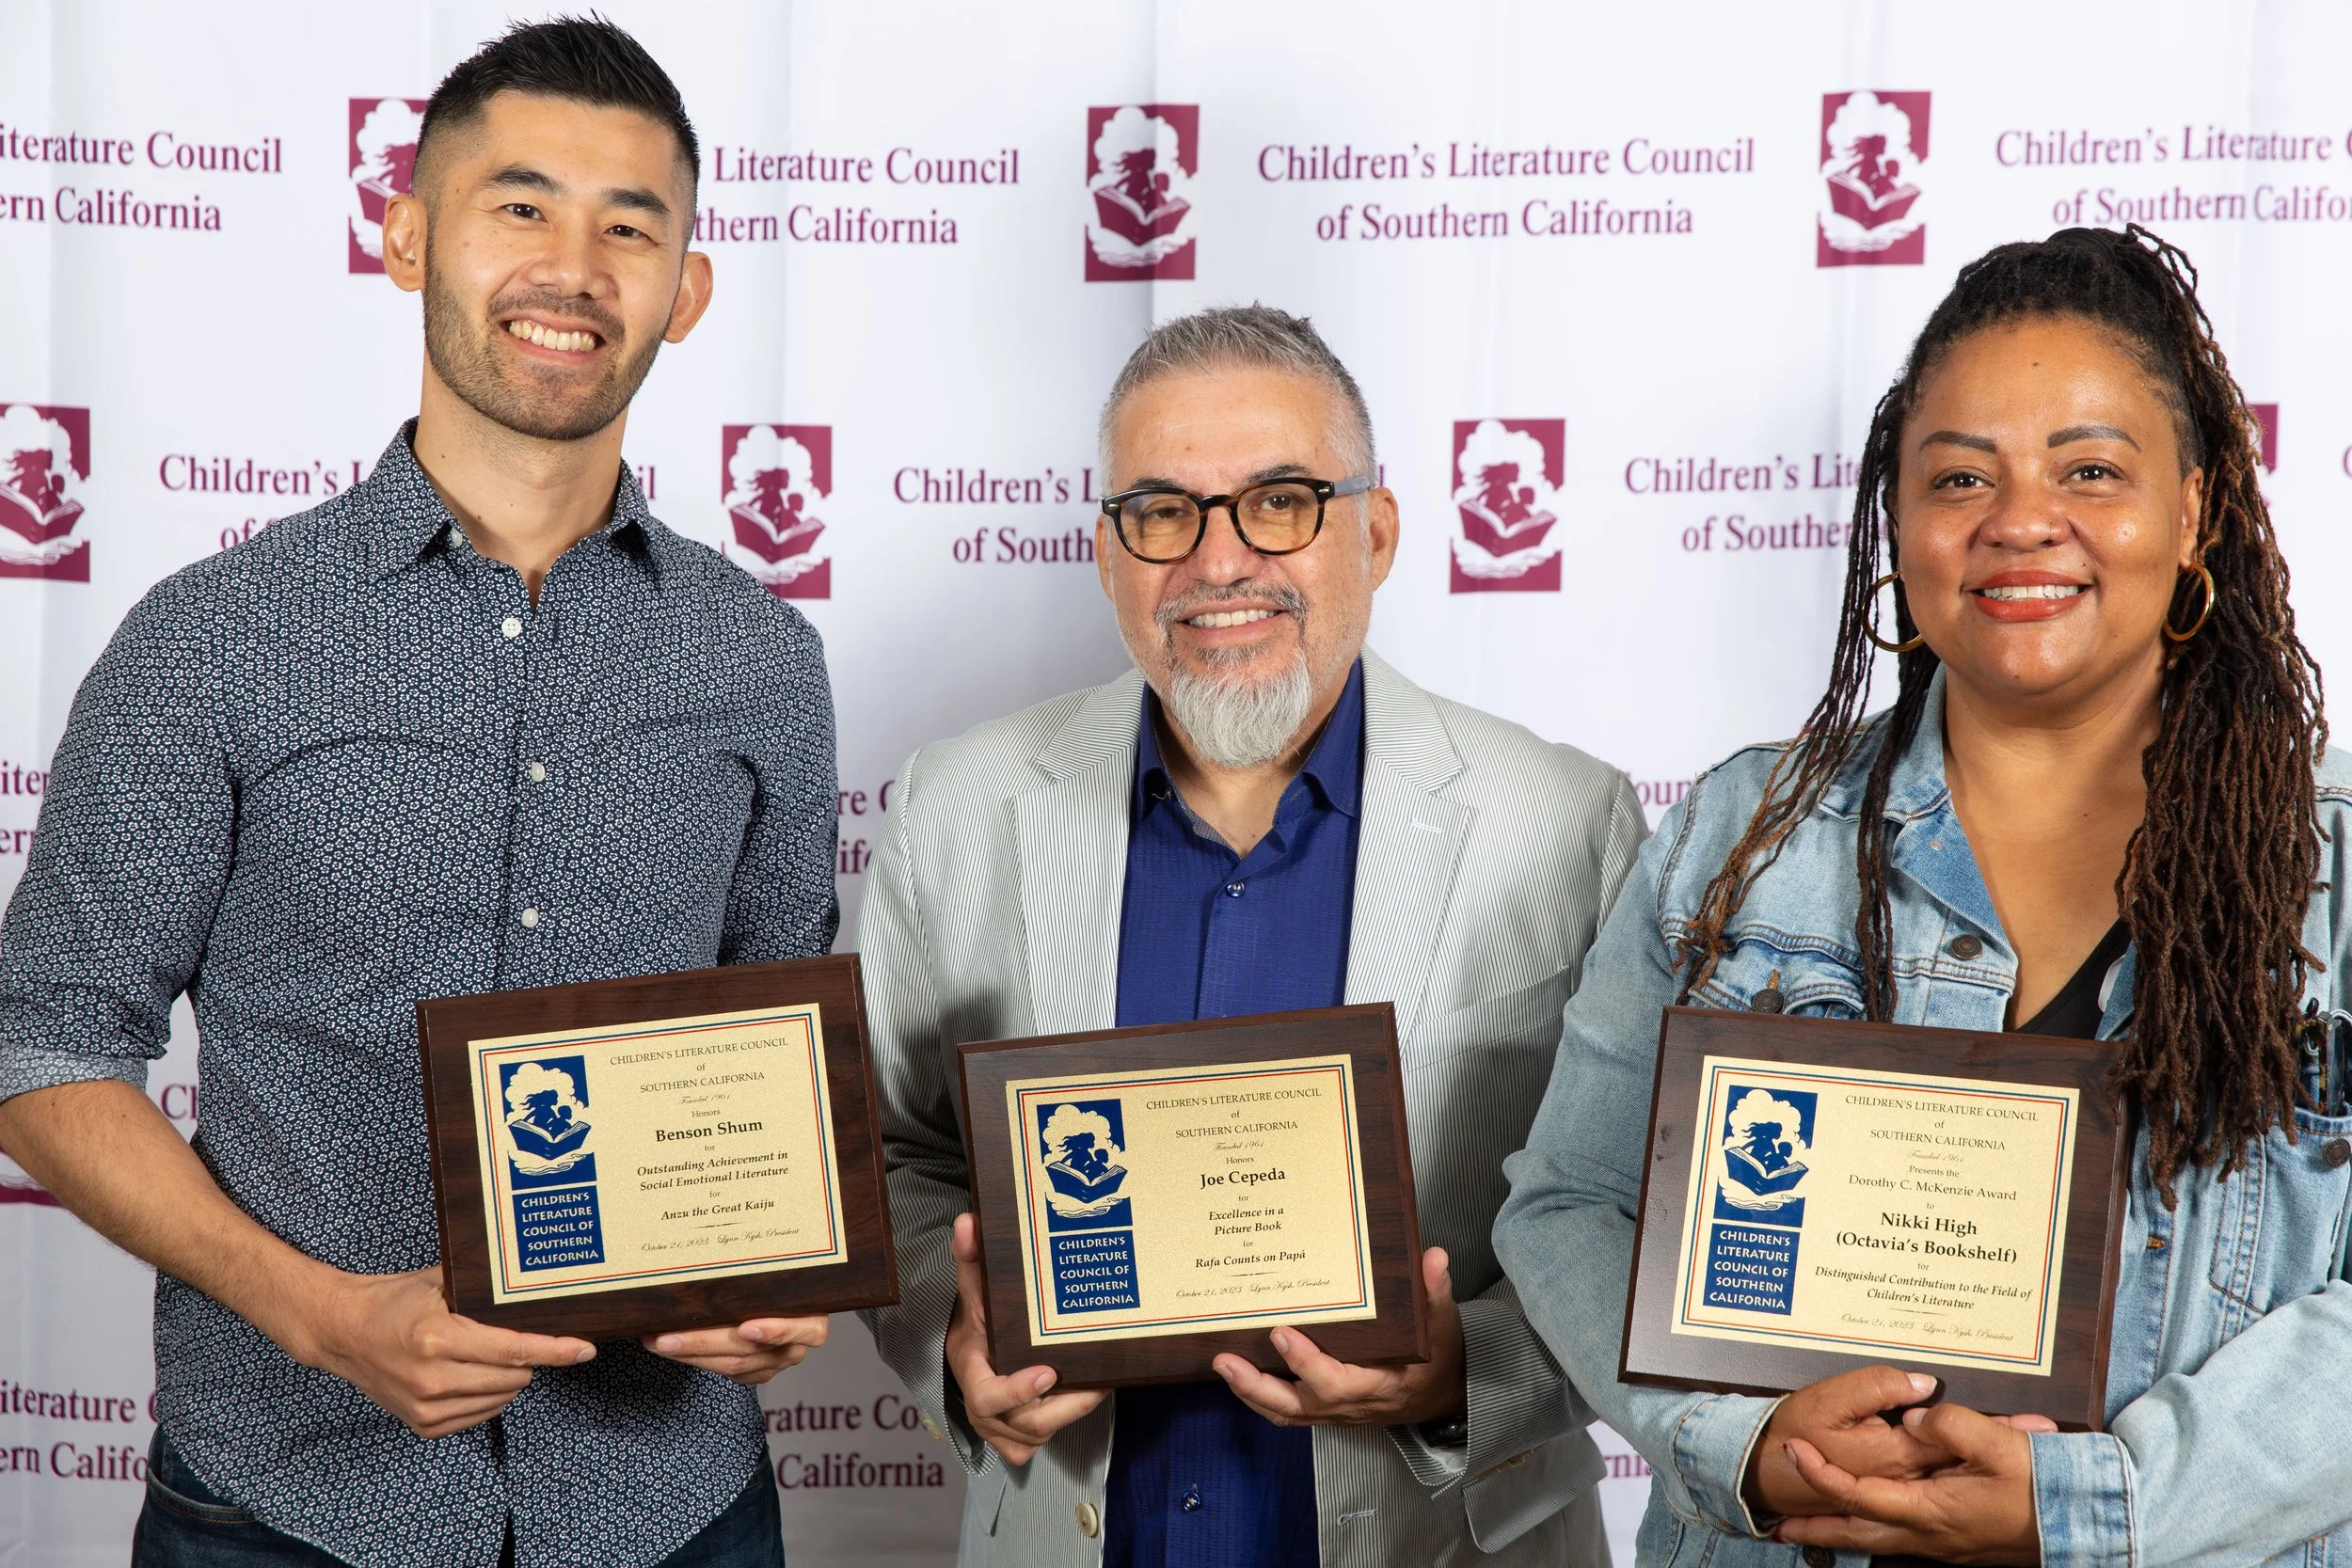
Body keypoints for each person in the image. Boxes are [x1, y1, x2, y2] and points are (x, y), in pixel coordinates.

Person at [0, 19, 836, 1568]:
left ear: (688, 289)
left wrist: (777, 1265)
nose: (572, 268)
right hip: (287, 1501)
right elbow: (43, 1037)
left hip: (672, 1510)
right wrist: (316, 1315)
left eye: (629, 226)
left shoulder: (762, 659)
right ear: (405, 236)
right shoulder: (215, 638)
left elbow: (777, 1041)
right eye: (521, 206)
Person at [1494, 224, 2347, 1564]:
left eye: (2091, 469)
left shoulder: (2337, 873)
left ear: (2195, 513)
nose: (2021, 519)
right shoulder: (1741, 831)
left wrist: (2092, 1506)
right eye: (1961, 476)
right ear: (1898, 522)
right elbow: (1570, 1207)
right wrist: (1745, 1446)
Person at [857, 305, 1644, 1567]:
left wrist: (1464, 1372)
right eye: (1162, 512)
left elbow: (1632, 1217)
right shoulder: (959, 802)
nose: (1219, 560)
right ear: (1109, 553)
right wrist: (954, 1332)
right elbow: (892, 1149)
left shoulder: (1565, 821)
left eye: (1281, 500)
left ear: (1375, 532)